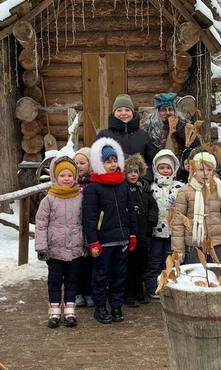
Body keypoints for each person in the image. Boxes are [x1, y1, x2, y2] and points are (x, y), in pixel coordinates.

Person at [82, 137, 138, 324]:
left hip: (121, 239)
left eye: (115, 160)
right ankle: (100, 307)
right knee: (101, 275)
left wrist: (132, 234)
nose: (113, 165)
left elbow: (130, 211)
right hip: (103, 240)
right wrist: (93, 241)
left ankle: (116, 305)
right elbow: (89, 218)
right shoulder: (93, 188)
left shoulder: (123, 185)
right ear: (100, 163)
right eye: (108, 161)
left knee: (119, 274)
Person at [34, 156, 84, 328]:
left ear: (75, 176)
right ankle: (54, 312)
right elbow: (41, 224)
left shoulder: (79, 197)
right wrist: (41, 246)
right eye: (62, 175)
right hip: (54, 250)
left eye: (70, 175)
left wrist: (85, 243)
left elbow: (85, 221)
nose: (66, 179)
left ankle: (70, 311)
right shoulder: (49, 199)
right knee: (54, 281)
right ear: (56, 177)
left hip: (74, 248)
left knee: (72, 281)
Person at [171, 151, 221, 265]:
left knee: (217, 276)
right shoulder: (185, 191)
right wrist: (178, 250)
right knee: (196, 278)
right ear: (194, 171)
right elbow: (178, 223)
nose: (205, 173)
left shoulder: (220, 189)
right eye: (201, 170)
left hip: (217, 244)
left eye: (209, 170)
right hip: (194, 245)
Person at [145, 149, 184, 298]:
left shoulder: (179, 187)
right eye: (162, 167)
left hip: (173, 232)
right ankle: (152, 287)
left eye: (168, 167)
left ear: (173, 169)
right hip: (156, 231)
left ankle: (169, 286)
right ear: (156, 169)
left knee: (170, 261)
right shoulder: (152, 187)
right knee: (154, 259)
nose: (165, 170)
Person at [123, 154, 159, 307]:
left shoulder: (144, 190)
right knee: (130, 266)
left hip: (144, 234)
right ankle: (129, 294)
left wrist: (150, 222)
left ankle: (139, 291)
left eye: (136, 172)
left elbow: (153, 206)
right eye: (130, 172)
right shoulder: (123, 190)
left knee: (141, 266)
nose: (133, 175)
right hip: (130, 234)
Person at [96, 94, 156, 181]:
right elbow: (96, 160)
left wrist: (146, 179)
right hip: (111, 185)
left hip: (138, 185)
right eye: (119, 110)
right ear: (114, 113)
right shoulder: (104, 136)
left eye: (127, 110)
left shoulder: (143, 136)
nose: (123, 113)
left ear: (132, 113)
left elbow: (151, 161)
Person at [143, 92, 201, 181]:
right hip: (156, 177)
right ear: (157, 112)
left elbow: (196, 146)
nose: (167, 113)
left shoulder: (184, 126)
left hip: (180, 177)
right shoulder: (148, 129)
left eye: (170, 109)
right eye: (163, 110)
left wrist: (179, 127)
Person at [73, 147, 95, 308]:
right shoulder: (70, 184)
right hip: (74, 229)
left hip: (91, 229)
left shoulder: (94, 184)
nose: (79, 166)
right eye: (76, 163)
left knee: (90, 263)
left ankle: (89, 292)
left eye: (82, 163)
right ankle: (77, 292)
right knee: (76, 263)